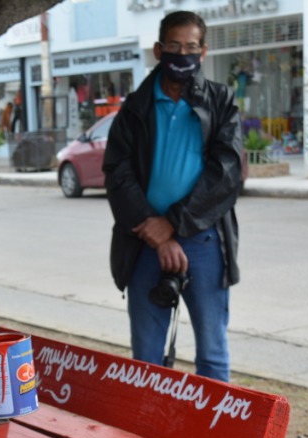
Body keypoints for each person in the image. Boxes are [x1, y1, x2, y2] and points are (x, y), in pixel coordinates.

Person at [104, 10, 243, 381]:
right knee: (147, 360)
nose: (183, 54)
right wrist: (153, 228)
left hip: (204, 241)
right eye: (174, 46)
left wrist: (172, 225)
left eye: (191, 47)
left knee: (212, 355)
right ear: (158, 50)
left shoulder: (220, 101)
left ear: (204, 51)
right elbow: (117, 172)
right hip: (143, 242)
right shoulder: (135, 108)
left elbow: (228, 172)